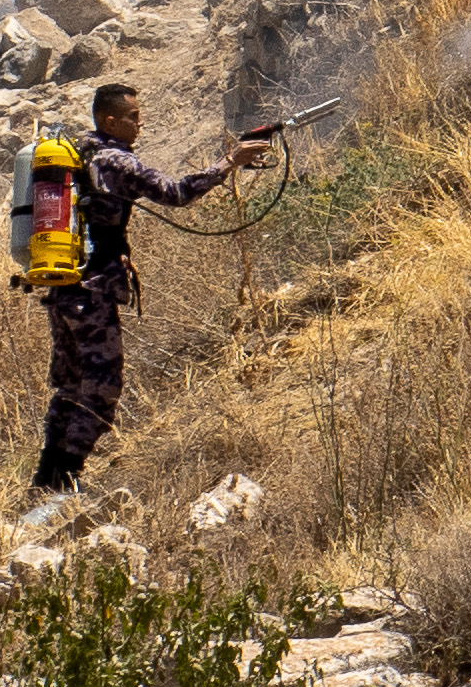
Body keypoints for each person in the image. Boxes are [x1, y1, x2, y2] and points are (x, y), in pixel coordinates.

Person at [20, 78, 281, 507]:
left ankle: (45, 480)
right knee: (102, 389)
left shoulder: (80, 155)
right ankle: (64, 484)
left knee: (70, 387)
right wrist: (229, 162)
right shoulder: (115, 162)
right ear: (110, 120)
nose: (140, 125)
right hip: (93, 289)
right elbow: (176, 193)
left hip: (61, 287)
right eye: (133, 118)